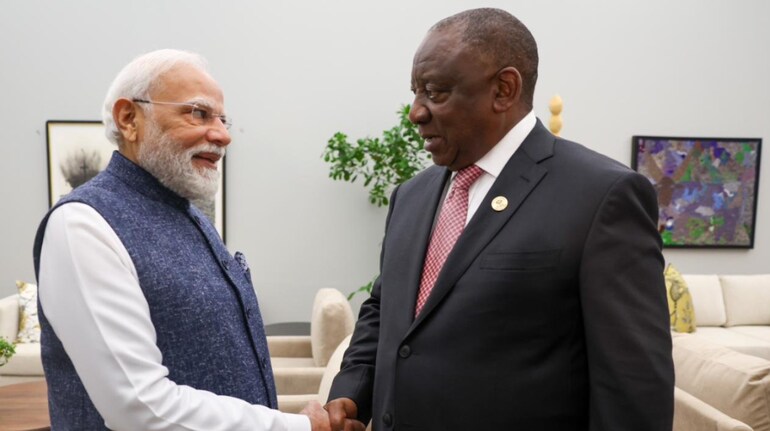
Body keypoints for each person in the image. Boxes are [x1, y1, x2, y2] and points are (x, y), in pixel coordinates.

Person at [326, 8, 674, 431]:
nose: (415, 112)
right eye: (416, 93)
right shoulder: (411, 196)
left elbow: (633, 386)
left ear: (504, 89)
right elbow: (384, 310)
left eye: (435, 92)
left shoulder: (602, 196)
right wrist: (351, 391)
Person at [32, 49, 355, 431]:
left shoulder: (191, 217)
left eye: (222, 119)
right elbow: (139, 407)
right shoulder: (81, 225)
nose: (223, 135)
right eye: (199, 113)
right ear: (129, 119)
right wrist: (298, 427)